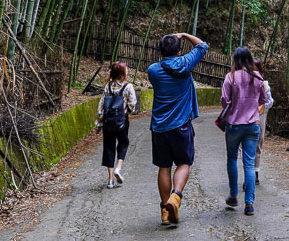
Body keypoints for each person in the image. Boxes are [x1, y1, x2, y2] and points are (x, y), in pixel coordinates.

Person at [146, 31, 208, 225]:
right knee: (184, 163)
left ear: (160, 51)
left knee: (164, 166)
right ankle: (176, 197)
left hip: (159, 128)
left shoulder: (153, 70)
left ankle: (165, 211)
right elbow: (203, 46)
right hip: (181, 126)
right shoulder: (185, 63)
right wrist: (184, 34)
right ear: (179, 50)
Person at [221, 46, 266, 216]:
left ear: (235, 60)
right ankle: (249, 204)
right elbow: (263, 99)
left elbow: (224, 100)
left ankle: (233, 196)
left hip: (233, 125)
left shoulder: (230, 77)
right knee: (249, 163)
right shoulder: (257, 77)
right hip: (253, 125)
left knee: (232, 158)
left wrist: (233, 108)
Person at [95, 61, 138, 189]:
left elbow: (101, 106)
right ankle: (118, 168)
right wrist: (127, 111)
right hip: (121, 121)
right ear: (122, 73)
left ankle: (110, 180)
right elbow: (132, 104)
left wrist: (99, 122)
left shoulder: (107, 86)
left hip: (108, 122)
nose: (128, 70)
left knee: (109, 147)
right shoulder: (128, 87)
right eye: (126, 69)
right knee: (123, 143)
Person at [253, 58, 274, 184]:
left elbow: (270, 102)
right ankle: (249, 172)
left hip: (260, 115)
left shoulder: (264, 84)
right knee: (246, 145)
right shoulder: (244, 81)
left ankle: (256, 172)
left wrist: (261, 105)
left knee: (258, 143)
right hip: (246, 117)